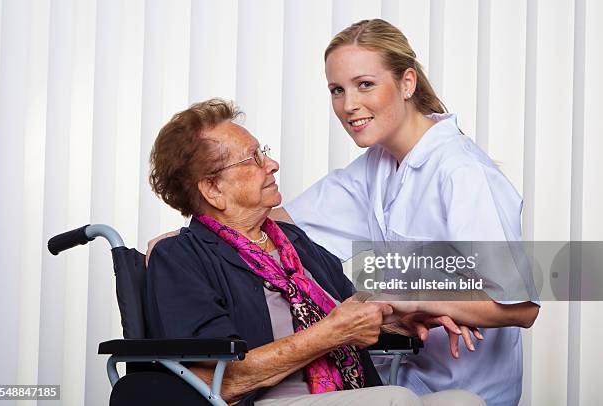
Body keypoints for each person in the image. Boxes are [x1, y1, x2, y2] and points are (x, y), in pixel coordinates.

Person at [145, 99, 485, 406]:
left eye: (263, 151)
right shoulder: (180, 258)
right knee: (396, 400)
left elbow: (349, 308)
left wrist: (401, 319)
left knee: (464, 402)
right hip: (265, 400)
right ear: (213, 189)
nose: (273, 164)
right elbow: (223, 379)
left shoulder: (292, 241)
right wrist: (332, 332)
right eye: (254, 159)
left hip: (340, 395)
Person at [270, 19, 539, 406]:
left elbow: (523, 307)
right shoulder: (375, 168)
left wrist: (415, 297)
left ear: (407, 83)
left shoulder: (462, 173)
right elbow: (278, 224)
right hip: (394, 381)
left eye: (365, 84)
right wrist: (197, 229)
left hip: (469, 393)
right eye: (337, 90)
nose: (348, 105)